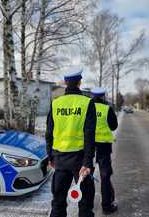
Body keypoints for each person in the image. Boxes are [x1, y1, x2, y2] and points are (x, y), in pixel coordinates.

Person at [46, 68, 96, 217]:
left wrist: (50, 156)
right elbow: (89, 135)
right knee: (85, 203)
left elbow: (49, 133)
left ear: (66, 82)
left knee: (58, 203)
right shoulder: (87, 103)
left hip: (60, 160)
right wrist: (87, 163)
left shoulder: (56, 103)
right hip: (80, 162)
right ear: (79, 83)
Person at [91, 87, 118, 214]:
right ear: (103, 96)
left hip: (89, 147)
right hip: (103, 148)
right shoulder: (107, 109)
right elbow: (114, 127)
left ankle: (87, 206)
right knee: (105, 177)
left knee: (87, 176)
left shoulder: (87, 108)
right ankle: (107, 207)